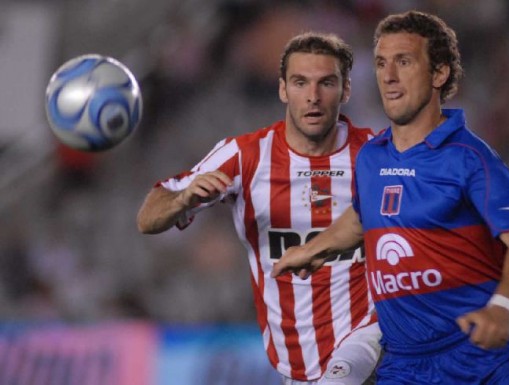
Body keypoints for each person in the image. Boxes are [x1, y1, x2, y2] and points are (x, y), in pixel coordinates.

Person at [272, 10, 509, 384]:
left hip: (486, 358)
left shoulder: (467, 157)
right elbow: (362, 216)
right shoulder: (371, 157)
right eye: (383, 63)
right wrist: (314, 249)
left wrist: (501, 308)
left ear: (439, 74)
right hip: (407, 365)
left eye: (404, 62)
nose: (388, 76)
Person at [137, 32, 381, 385]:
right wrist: (181, 200)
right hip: (297, 363)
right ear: (283, 89)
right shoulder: (244, 155)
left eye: (326, 83)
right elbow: (148, 218)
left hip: (370, 337)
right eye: (300, 83)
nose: (313, 97)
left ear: (345, 91)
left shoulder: (377, 155)